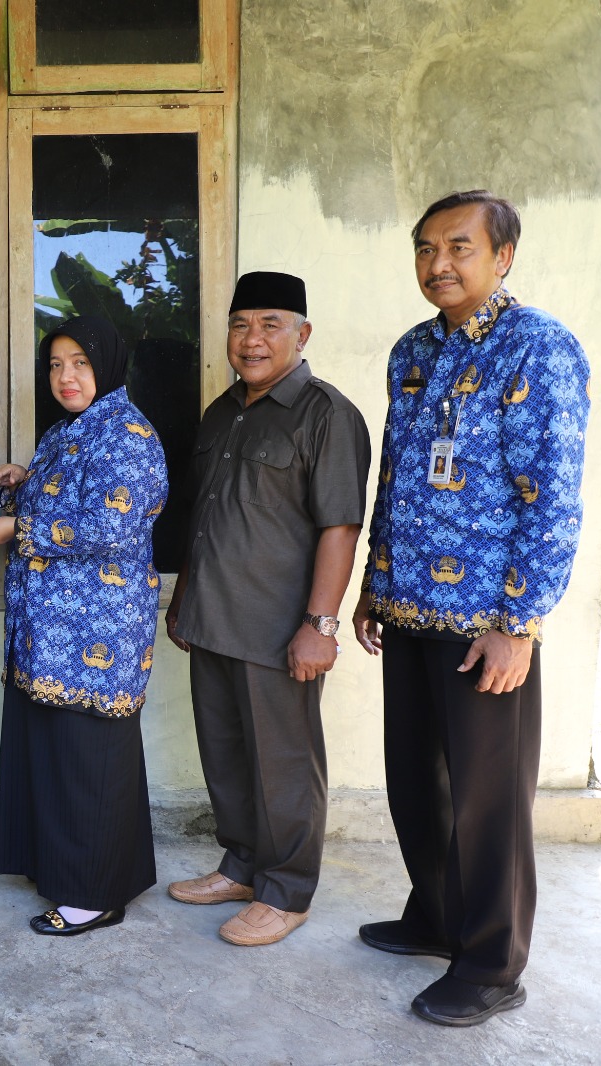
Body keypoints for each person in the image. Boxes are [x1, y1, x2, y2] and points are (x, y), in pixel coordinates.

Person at [351, 190, 589, 1026]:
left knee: (489, 804)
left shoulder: (539, 348)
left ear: (502, 256)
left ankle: (491, 965)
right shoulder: (413, 351)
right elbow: (395, 476)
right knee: (418, 785)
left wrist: (517, 624)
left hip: (487, 621)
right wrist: (375, 584)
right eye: (426, 248)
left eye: (459, 247)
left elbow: (553, 499)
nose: (439, 263)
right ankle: (437, 917)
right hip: (409, 609)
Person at [163, 272, 371, 946]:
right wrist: (184, 596)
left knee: (284, 765)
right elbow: (204, 515)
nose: (251, 339)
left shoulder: (326, 414)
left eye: (269, 324)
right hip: (211, 618)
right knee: (225, 756)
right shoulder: (221, 412)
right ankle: (242, 867)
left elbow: (340, 527)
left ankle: (286, 891)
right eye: (240, 324)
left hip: (278, 629)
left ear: (301, 334)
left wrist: (320, 626)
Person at [0, 315, 167, 936]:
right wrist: (22, 481)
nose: (66, 377)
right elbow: (67, 500)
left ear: (106, 364)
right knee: (56, 754)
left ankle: (93, 895)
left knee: (90, 759)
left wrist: (18, 527)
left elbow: (111, 525)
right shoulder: (66, 431)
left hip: (96, 632)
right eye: (56, 365)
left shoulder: (130, 434)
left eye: (80, 363)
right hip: (48, 629)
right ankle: (64, 870)